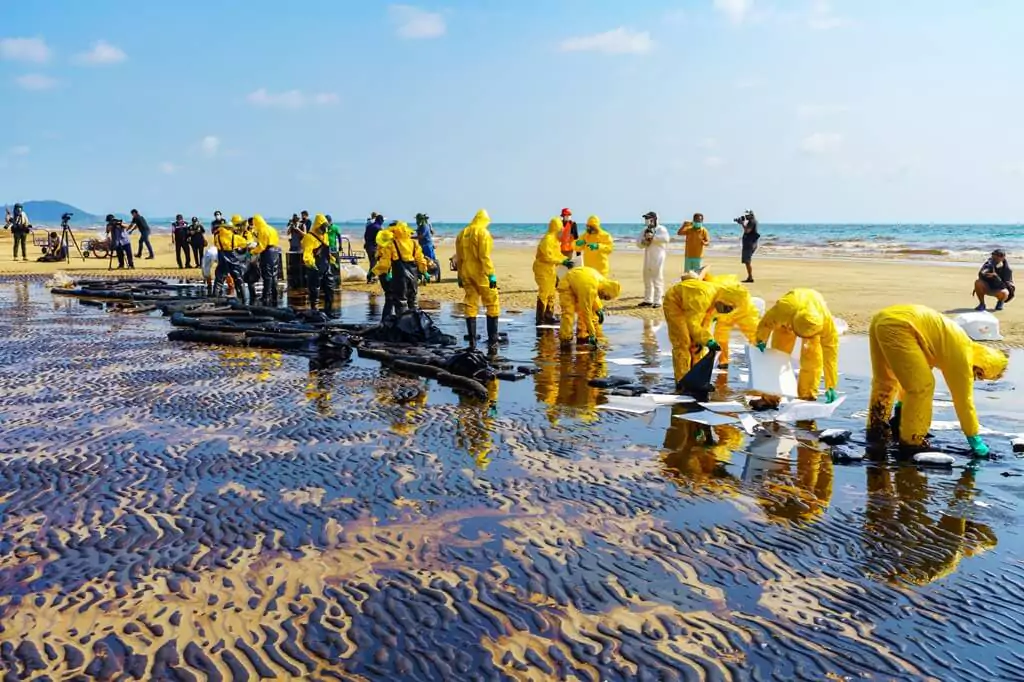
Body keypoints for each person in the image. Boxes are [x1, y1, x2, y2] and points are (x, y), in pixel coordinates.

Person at [867, 304, 1008, 457]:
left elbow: (911, 375)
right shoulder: (962, 359)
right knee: (924, 386)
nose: (975, 378)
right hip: (902, 326)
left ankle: (877, 430)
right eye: (979, 374)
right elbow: (964, 403)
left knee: (885, 381)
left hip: (883, 319)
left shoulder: (954, 344)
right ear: (982, 365)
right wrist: (974, 438)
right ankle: (912, 441)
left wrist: (902, 406)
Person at [662, 277, 754, 385]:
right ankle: (682, 380)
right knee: (683, 342)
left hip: (695, 307)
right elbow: (694, 324)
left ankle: (697, 378)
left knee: (699, 347)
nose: (727, 311)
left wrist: (703, 341)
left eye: (731, 309)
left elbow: (705, 323)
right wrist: (707, 340)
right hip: (675, 303)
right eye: (727, 308)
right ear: (723, 301)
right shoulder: (703, 297)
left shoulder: (718, 300)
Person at [755, 288, 840, 403]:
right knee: (778, 358)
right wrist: (761, 340)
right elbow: (765, 323)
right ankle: (771, 398)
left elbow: (831, 356)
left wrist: (831, 385)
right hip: (786, 326)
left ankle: (807, 396)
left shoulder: (825, 323)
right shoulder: (784, 309)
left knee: (813, 361)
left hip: (809, 327)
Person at [456, 209, 500, 350]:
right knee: (492, 302)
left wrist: (460, 276)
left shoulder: (462, 234)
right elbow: (484, 256)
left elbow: (459, 258)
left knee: (470, 303)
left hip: (466, 272)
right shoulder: (483, 233)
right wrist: (491, 274)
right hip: (480, 272)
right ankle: (493, 341)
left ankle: (472, 342)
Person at [373, 220, 430, 318]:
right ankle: (415, 325)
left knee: (401, 302)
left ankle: (403, 325)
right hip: (413, 277)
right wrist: (425, 272)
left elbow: (385, 263)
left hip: (400, 277)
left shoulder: (391, 244)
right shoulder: (414, 243)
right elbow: (420, 259)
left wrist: (379, 272)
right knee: (413, 301)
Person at [557, 265, 622, 346]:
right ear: (606, 290)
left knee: (587, 311)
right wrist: (592, 334)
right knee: (568, 313)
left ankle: (582, 335)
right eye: (605, 297)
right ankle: (565, 339)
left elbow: (594, 296)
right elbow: (586, 313)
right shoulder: (590, 288)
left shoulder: (601, 281)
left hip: (579, 282)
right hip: (567, 285)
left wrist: (598, 308)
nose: (603, 299)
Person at [302, 213, 338, 315]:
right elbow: (307, 254)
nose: (324, 229)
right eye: (322, 227)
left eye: (325, 227)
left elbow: (326, 250)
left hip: (326, 266)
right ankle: (314, 310)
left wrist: (332, 260)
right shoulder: (309, 237)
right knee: (314, 289)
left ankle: (329, 310)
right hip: (315, 267)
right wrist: (311, 265)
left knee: (330, 288)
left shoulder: (325, 235)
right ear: (318, 226)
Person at [212, 214, 250, 302]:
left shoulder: (217, 236)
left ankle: (214, 300)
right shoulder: (236, 237)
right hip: (233, 261)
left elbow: (216, 245)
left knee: (219, 281)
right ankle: (243, 300)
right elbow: (245, 243)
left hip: (222, 260)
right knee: (238, 279)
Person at [533, 217, 564, 325]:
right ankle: (540, 318)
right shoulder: (547, 240)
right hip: (542, 269)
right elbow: (547, 257)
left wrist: (566, 260)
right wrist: (561, 261)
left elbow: (557, 255)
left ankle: (548, 315)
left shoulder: (555, 241)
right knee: (544, 292)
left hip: (550, 269)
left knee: (551, 293)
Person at [637, 211, 670, 308]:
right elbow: (638, 243)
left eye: (648, 218)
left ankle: (658, 300)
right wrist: (644, 241)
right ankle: (648, 300)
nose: (646, 221)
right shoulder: (644, 230)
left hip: (658, 257)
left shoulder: (661, 229)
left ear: (654, 219)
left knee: (657, 278)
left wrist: (653, 237)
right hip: (648, 257)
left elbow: (666, 239)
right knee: (647, 278)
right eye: (645, 219)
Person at [250, 214, 281, 307]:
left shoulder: (262, 230)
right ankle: (275, 296)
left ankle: (265, 297)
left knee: (267, 276)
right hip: (275, 252)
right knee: (274, 275)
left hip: (267, 253)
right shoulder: (271, 228)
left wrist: (253, 252)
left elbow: (262, 246)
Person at [416, 213, 440, 283]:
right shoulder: (427, 225)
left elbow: (421, 236)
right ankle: (427, 273)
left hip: (426, 245)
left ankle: (428, 273)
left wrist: (410, 237)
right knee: (428, 260)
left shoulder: (424, 226)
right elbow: (432, 232)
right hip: (427, 244)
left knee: (428, 260)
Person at [736, 210, 759, 283]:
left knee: (747, 261)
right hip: (749, 243)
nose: (746, 217)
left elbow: (747, 231)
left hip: (750, 244)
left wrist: (742, 223)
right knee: (747, 261)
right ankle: (750, 276)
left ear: (751, 215)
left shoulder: (752, 221)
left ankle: (750, 277)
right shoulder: (751, 221)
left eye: (747, 215)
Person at [363, 213, 384, 283]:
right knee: (374, 263)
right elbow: (380, 239)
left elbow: (365, 236)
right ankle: (370, 277)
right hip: (374, 247)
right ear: (380, 220)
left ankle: (372, 276)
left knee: (372, 262)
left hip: (368, 246)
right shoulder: (379, 228)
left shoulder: (369, 226)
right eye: (382, 221)